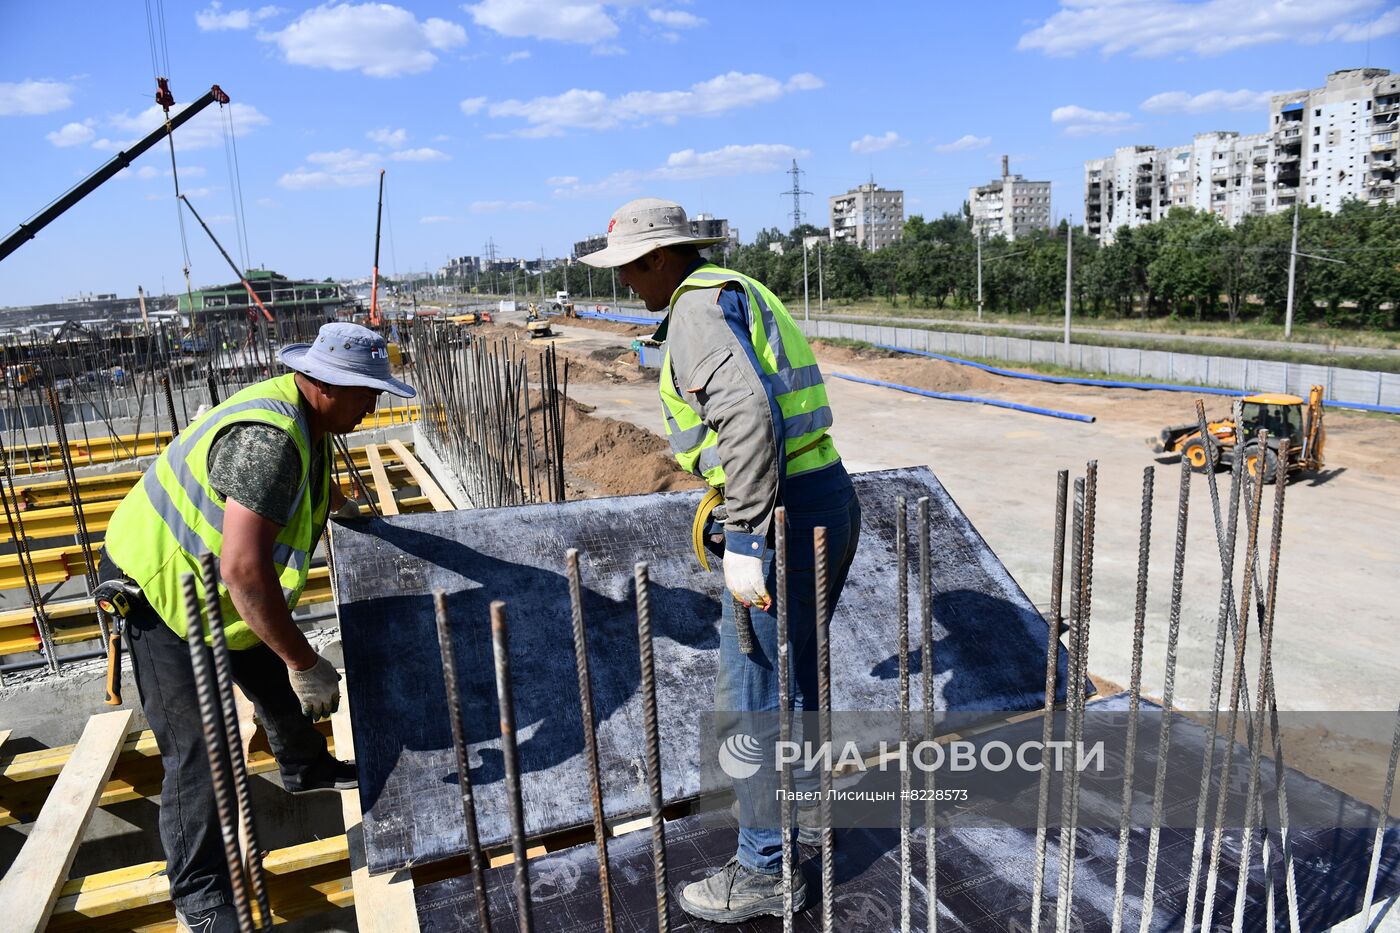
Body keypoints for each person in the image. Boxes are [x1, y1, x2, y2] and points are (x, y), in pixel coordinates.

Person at [581, 199, 861, 922]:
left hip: (783, 517)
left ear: (659, 260)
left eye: (627, 270)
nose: (622, 284)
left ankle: (765, 869)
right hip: (820, 497)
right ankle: (785, 830)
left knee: (752, 697)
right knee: (785, 687)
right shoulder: (735, 289)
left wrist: (744, 538)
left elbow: (747, 415)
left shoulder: (699, 309)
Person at [100, 322, 415, 932]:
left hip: (215, 594)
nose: (372, 407)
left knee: (266, 666)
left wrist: (355, 517)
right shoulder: (267, 441)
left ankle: (306, 768)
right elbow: (244, 573)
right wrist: (306, 661)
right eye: (365, 394)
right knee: (203, 748)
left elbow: (313, 490)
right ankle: (198, 896)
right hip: (161, 595)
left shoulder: (310, 420)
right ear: (323, 384)